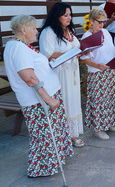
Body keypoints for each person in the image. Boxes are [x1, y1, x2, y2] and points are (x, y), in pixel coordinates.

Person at [4, 15, 73, 177]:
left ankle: (52, 162)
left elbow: (34, 69)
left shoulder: (20, 45)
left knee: (51, 133)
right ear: (23, 29)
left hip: (44, 96)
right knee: (44, 136)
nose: (36, 32)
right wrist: (49, 99)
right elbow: (29, 77)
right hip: (39, 100)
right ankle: (42, 168)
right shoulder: (18, 48)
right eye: (33, 28)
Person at [39, 2, 84, 147]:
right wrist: (70, 54)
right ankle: (62, 136)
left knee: (73, 101)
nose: (69, 18)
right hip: (59, 74)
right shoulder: (48, 32)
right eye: (66, 15)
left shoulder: (69, 31)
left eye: (70, 15)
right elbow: (47, 54)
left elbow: (75, 47)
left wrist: (78, 53)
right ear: (57, 16)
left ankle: (73, 134)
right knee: (64, 102)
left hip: (72, 73)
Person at [80, 8, 115, 140]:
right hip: (97, 73)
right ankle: (98, 128)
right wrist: (97, 65)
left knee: (110, 98)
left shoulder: (105, 32)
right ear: (92, 21)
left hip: (110, 70)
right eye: (99, 22)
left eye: (103, 22)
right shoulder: (87, 37)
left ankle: (109, 122)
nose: (102, 24)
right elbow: (83, 58)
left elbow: (110, 49)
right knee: (99, 101)